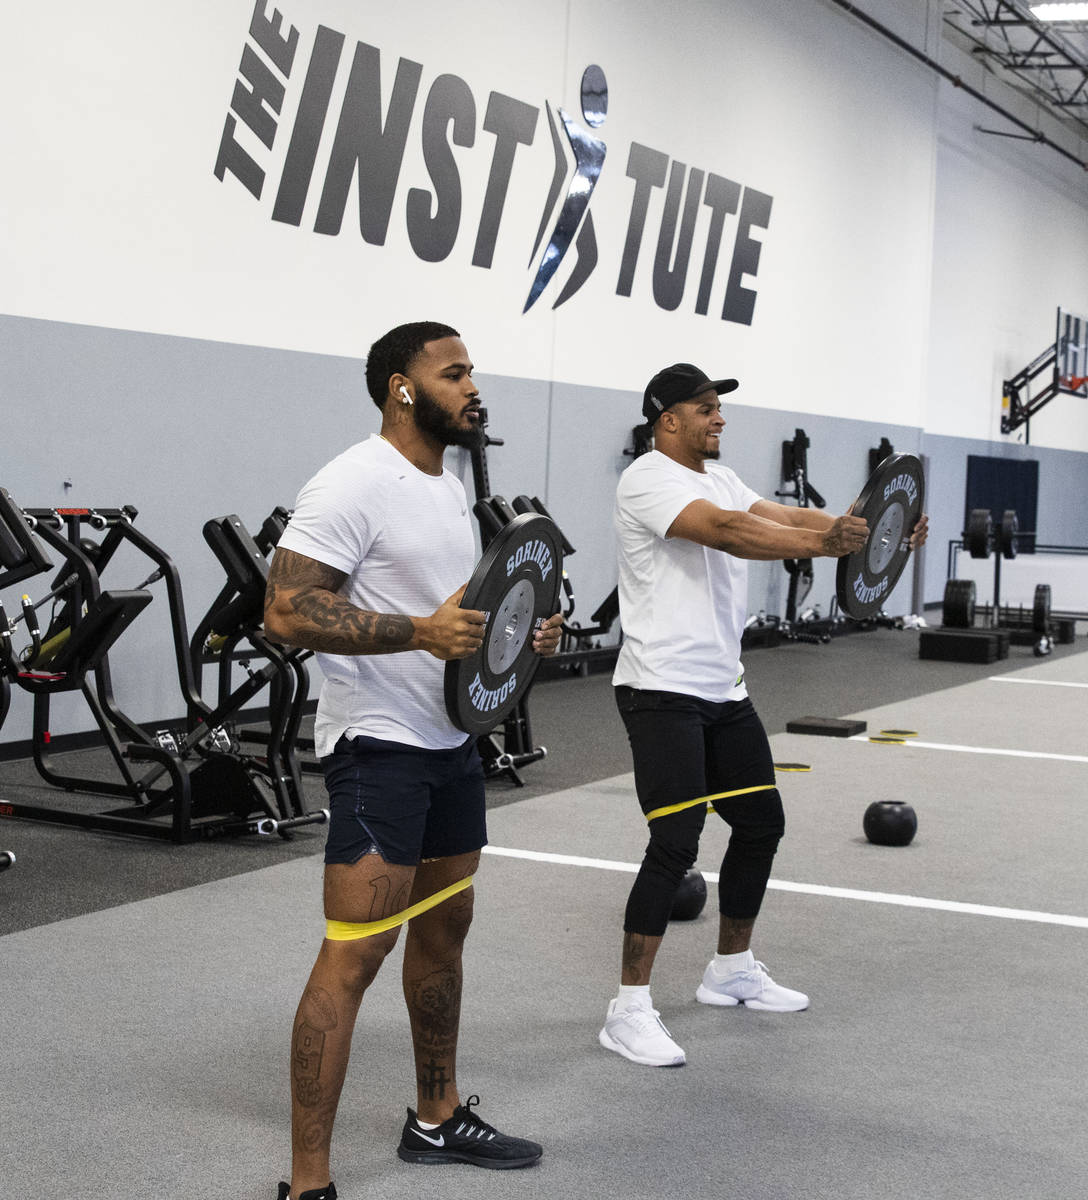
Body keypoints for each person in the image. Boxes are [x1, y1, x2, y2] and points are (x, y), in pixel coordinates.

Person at [264, 321, 562, 1200]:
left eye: (473, 372)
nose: (474, 387)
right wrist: (418, 633)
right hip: (378, 749)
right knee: (355, 954)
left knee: (442, 931)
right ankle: (308, 1183)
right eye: (454, 373)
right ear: (402, 387)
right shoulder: (353, 480)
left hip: (450, 744)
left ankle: (436, 1118)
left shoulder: (452, 482)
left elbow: (461, 613)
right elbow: (286, 610)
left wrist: (524, 634)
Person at [598, 362, 928, 1068]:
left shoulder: (722, 476)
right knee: (675, 842)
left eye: (718, 407)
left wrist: (876, 532)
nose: (719, 417)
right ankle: (627, 1010)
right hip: (661, 690)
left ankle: (731, 970)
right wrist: (824, 545)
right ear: (667, 420)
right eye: (705, 408)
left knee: (760, 823)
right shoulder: (648, 479)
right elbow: (728, 533)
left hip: (724, 689)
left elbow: (784, 518)